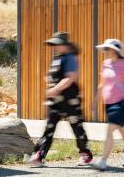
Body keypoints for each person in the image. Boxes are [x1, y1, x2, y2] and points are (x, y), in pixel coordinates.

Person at [27, 32, 93, 167]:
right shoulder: (58, 58)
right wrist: (50, 83)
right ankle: (39, 155)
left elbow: (70, 78)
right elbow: (55, 77)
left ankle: (86, 154)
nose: (54, 47)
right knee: (49, 128)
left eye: (56, 44)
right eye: (53, 44)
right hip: (56, 101)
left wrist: (54, 89)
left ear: (65, 45)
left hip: (70, 100)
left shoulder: (70, 58)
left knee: (77, 128)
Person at [92, 38, 124, 170]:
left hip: (120, 103)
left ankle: (103, 161)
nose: (105, 51)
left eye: (107, 49)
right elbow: (102, 84)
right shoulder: (105, 63)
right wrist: (95, 101)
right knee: (121, 130)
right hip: (108, 103)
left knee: (109, 130)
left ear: (115, 50)